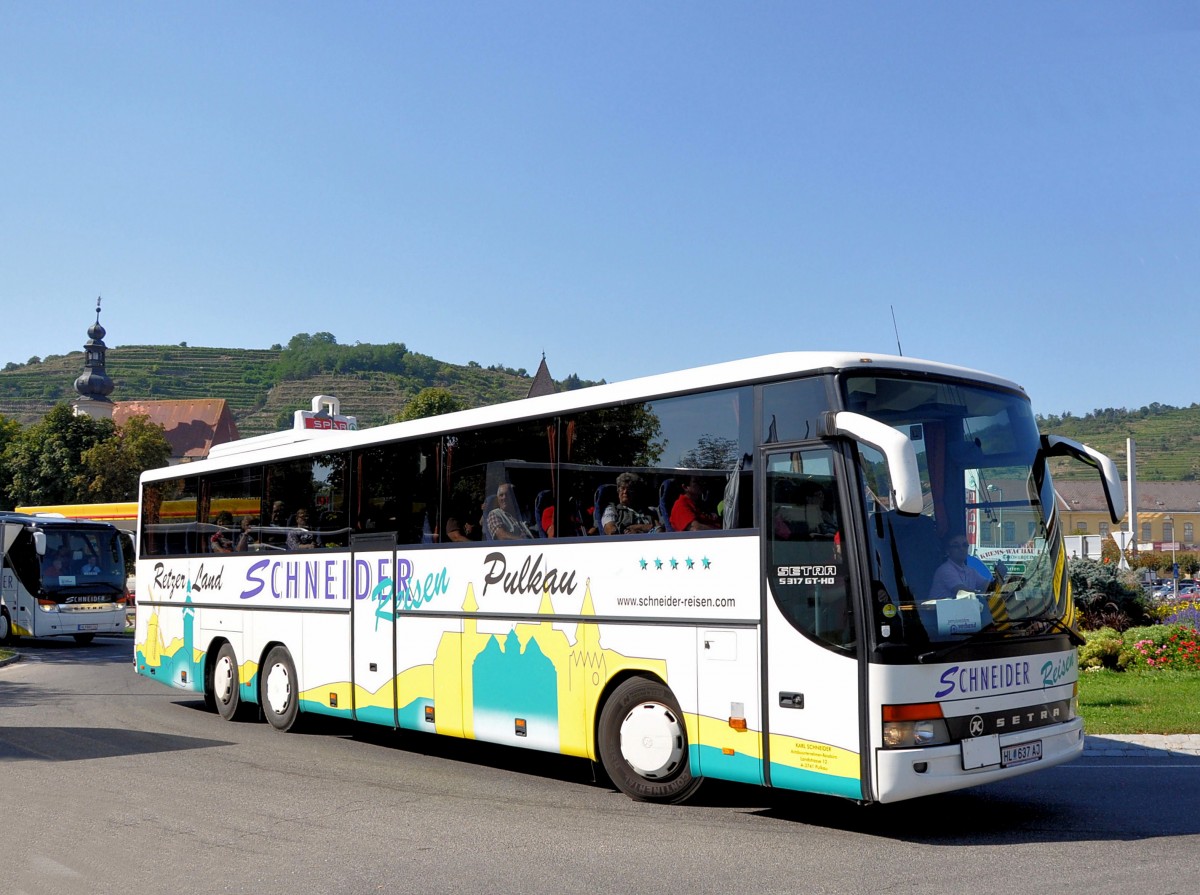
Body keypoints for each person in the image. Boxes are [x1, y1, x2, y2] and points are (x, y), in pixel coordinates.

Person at [928, 534, 1007, 599]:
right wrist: (988, 595)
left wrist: (1000, 576)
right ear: (947, 551)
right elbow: (963, 593)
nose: (961, 548)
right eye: (956, 546)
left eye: (965, 545)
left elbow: (989, 588)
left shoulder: (970, 571)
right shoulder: (945, 570)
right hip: (938, 612)